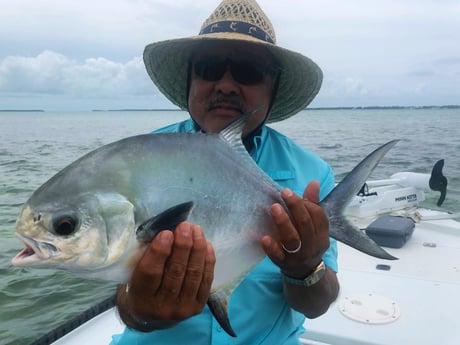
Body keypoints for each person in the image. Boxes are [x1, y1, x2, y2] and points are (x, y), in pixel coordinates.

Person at [111, 0, 340, 344]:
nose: (226, 85)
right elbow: (126, 299)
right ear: (191, 79)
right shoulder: (140, 160)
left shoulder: (310, 174)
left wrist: (304, 268)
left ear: (273, 88)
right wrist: (143, 311)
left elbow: (316, 305)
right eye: (209, 66)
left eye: (248, 71)